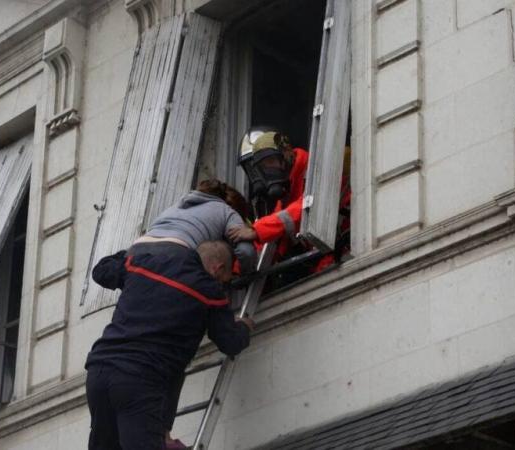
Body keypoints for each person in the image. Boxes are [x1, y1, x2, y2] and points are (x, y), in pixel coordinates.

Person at [85, 240, 253, 449]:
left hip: (99, 373)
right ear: (217, 268)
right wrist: (245, 326)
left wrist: (139, 247)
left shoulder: (145, 264)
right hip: (140, 379)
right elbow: (231, 342)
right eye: (225, 281)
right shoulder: (208, 291)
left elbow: (101, 271)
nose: (224, 287)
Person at [228, 129, 351, 276]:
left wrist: (255, 230)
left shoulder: (318, 169)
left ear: (286, 154)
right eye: (264, 167)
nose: (269, 170)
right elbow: (271, 240)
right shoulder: (287, 193)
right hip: (327, 260)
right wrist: (236, 269)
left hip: (349, 249)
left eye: (271, 162)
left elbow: (306, 207)